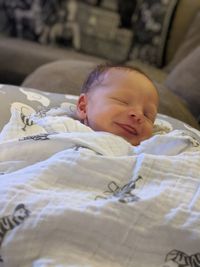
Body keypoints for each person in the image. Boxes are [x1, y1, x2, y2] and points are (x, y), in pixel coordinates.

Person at [76, 63, 159, 146]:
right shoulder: (68, 129)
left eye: (147, 115)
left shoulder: (154, 149)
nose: (138, 115)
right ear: (83, 107)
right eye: (123, 102)